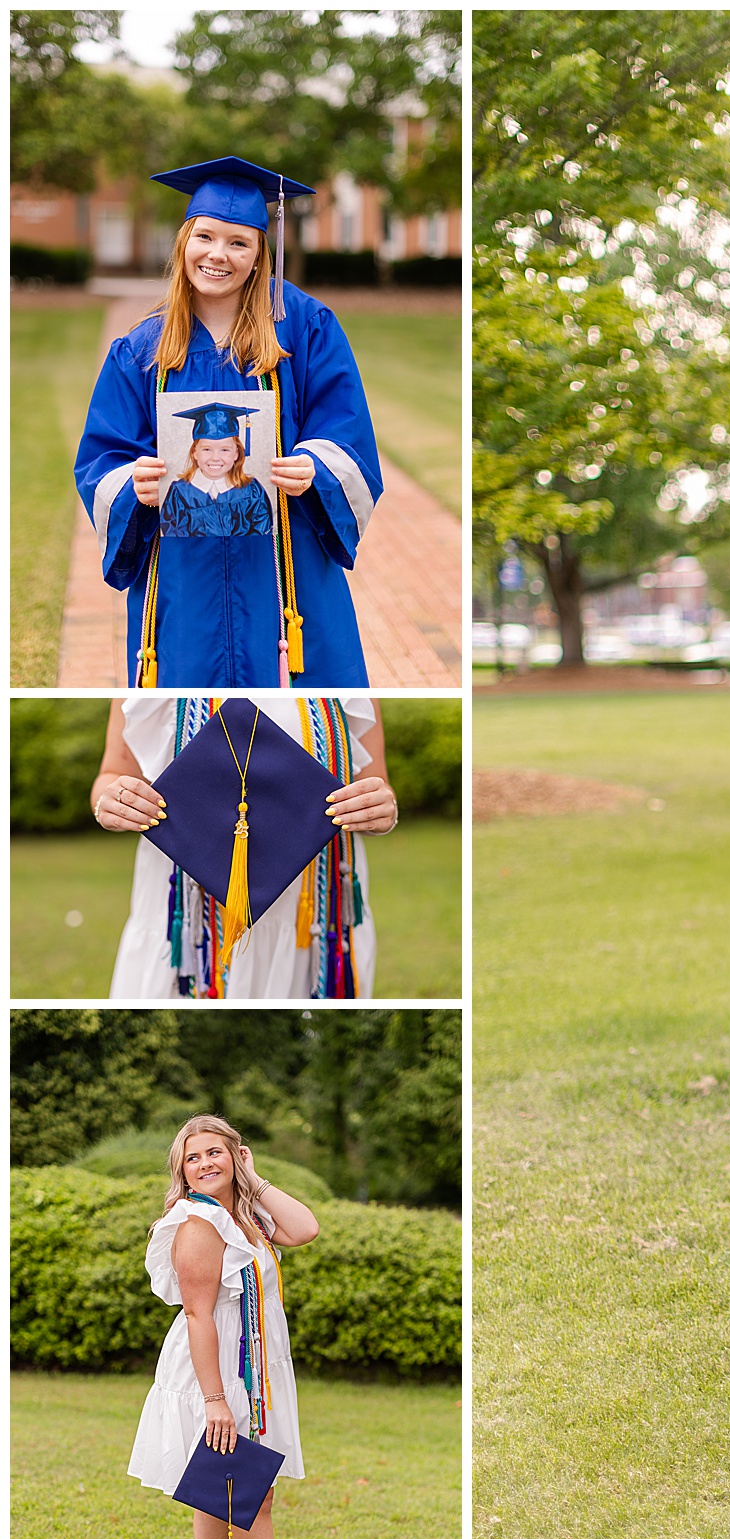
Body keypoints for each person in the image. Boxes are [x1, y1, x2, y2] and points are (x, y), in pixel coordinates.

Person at [74, 156, 382, 688]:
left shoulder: (304, 328)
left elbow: (346, 429)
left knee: (295, 721)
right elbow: (103, 459)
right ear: (184, 242)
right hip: (180, 577)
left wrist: (314, 467)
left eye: (239, 242)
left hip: (286, 572)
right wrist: (134, 484)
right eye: (206, 237)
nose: (219, 255)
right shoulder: (142, 348)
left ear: (262, 253)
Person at [128, 1115, 324, 1539]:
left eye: (216, 1152)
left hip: (254, 1363)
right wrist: (215, 1399)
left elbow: (305, 1229)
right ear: (183, 1173)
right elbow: (197, 1314)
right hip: (215, 1371)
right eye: (193, 1158)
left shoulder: (246, 1215)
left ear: (236, 1156)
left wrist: (253, 1179)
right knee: (248, 1491)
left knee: (224, 1483)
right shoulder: (197, 1223)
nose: (205, 1163)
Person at [92, 696, 397, 998]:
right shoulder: (158, 673)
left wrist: (383, 809)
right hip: (189, 907)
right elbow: (112, 774)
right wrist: (111, 800)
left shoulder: (343, 689)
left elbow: (374, 782)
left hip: (311, 912)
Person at [159, 403, 274, 539]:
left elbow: (261, 532)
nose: (215, 458)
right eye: (207, 449)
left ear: (236, 454)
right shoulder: (180, 493)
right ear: (195, 453)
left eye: (224, 450)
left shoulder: (251, 490)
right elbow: (174, 536)